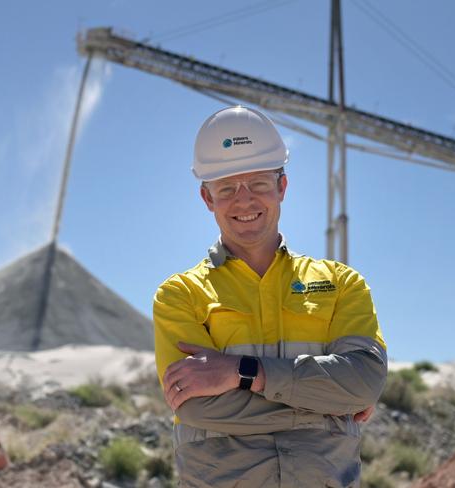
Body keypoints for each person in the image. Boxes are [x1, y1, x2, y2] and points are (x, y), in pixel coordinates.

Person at [153, 106, 387, 487]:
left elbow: (363, 382)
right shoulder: (181, 294)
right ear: (206, 198)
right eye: (227, 188)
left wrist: (241, 373)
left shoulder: (341, 283)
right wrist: (328, 405)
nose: (244, 201)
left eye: (259, 183)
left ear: (282, 187)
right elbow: (198, 405)